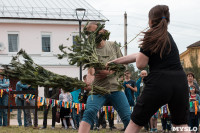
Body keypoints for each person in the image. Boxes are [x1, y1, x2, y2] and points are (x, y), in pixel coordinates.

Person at [108, 5, 190, 133]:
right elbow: (141, 55)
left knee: (135, 122)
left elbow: (140, 64)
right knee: (181, 124)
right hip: (180, 82)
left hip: (160, 82)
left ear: (151, 21)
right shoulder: (167, 37)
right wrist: (116, 61)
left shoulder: (151, 35)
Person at [78, 22, 131, 133]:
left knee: (127, 117)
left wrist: (108, 72)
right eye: (89, 34)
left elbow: (123, 65)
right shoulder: (89, 51)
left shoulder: (113, 45)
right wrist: (89, 77)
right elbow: (91, 69)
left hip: (116, 89)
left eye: (95, 32)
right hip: (97, 90)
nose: (92, 35)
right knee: (89, 112)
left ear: (102, 31)